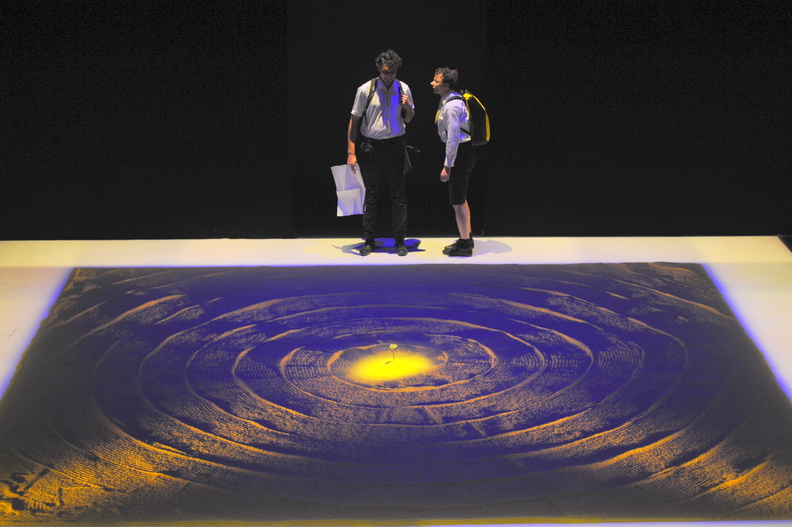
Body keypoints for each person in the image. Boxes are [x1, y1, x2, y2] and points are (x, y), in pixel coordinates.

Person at [347, 50, 415, 257]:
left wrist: (407, 106)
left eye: (392, 71)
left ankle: (400, 241)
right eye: (385, 71)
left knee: (398, 195)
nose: (388, 75)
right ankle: (369, 240)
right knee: (370, 194)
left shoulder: (403, 88)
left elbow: (409, 118)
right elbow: (354, 121)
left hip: (395, 146)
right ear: (379, 68)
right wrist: (351, 152)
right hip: (372, 147)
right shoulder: (365, 90)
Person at [431, 67, 475, 257]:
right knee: (461, 199)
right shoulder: (452, 100)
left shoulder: (451, 106)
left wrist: (447, 166)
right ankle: (467, 238)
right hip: (463, 152)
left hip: (460, 154)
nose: (432, 83)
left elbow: (453, 139)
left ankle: (465, 246)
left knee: (457, 201)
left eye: (436, 81)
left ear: (446, 86)